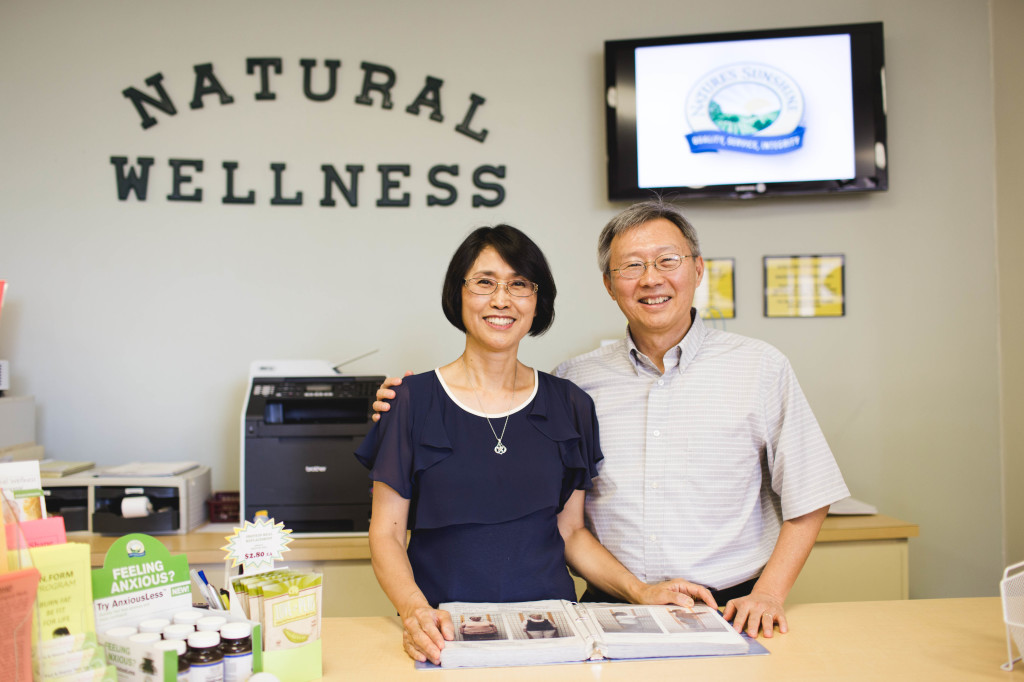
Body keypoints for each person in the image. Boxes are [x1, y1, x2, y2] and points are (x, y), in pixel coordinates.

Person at [373, 202, 850, 640]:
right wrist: (407, 405)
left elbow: (810, 494)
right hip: (585, 610)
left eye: (668, 260)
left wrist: (766, 593)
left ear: (698, 269)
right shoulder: (578, 380)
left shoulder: (757, 367)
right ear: (609, 283)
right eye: (631, 266)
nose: (651, 278)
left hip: (721, 607)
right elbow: (393, 530)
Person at [355, 224, 714, 665]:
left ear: (537, 302)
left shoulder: (569, 403)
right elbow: (385, 533)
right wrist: (415, 611)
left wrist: (641, 591)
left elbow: (572, 532)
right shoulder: (410, 401)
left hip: (555, 632)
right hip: (444, 631)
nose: (501, 300)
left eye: (519, 285)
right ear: (458, 294)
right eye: (485, 282)